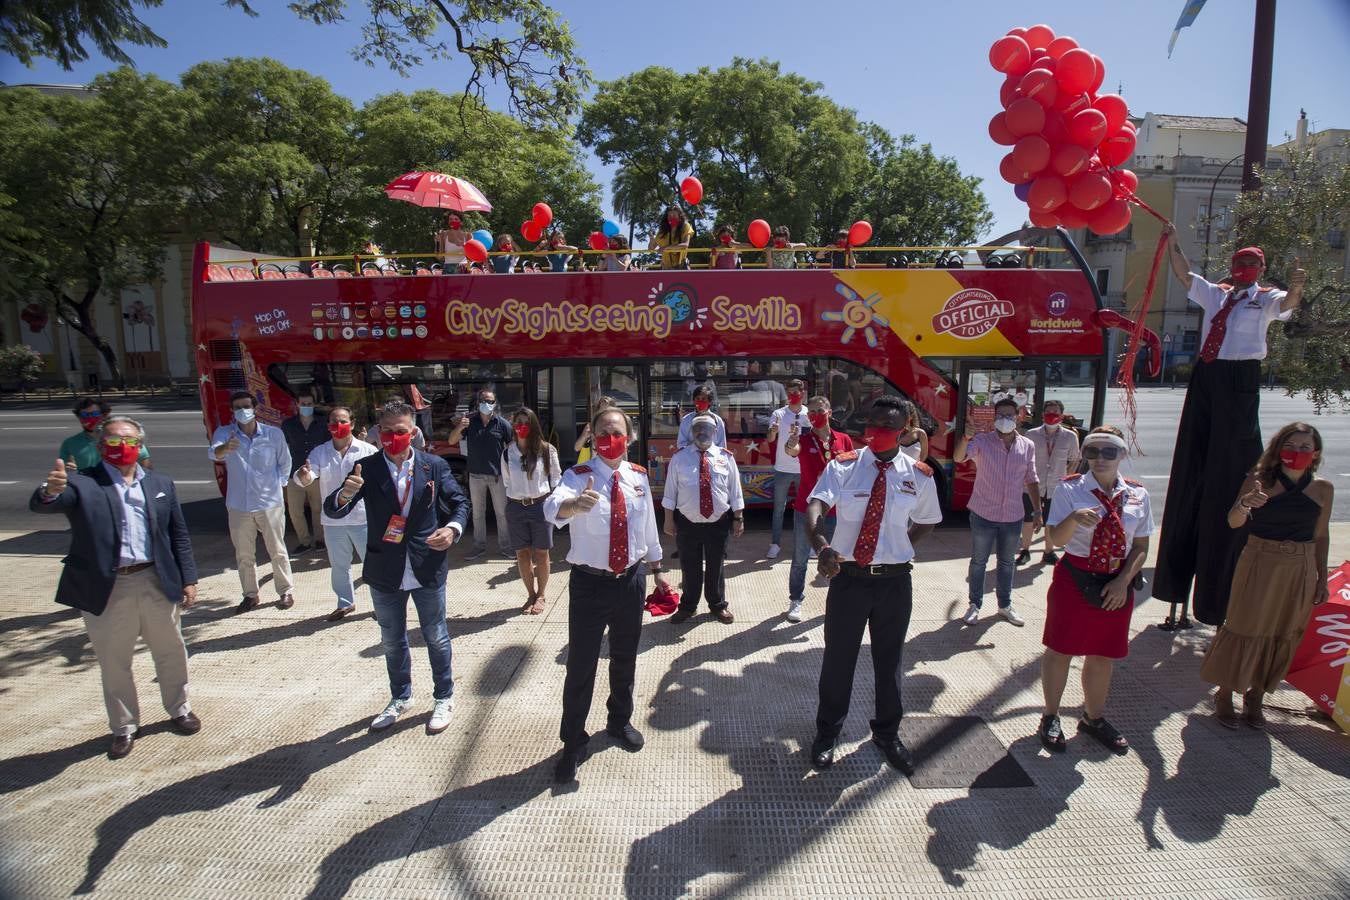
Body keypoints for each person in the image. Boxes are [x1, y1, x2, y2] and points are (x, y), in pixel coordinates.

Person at [1152, 231, 1305, 625]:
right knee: (1193, 460)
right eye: (1239, 265)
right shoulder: (1217, 294)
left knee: (1230, 465)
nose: (1243, 271)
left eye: (1251, 266)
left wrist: (1299, 286)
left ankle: (1213, 597)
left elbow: (1288, 305)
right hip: (1207, 375)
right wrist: (1172, 242)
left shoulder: (1264, 297)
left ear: (1260, 270)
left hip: (1240, 378)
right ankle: (1174, 588)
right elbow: (1185, 276)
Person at [31, 415, 199, 760]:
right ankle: (124, 726)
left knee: (171, 651)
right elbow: (47, 503)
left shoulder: (159, 482)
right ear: (100, 445)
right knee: (114, 661)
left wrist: (189, 578)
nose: (123, 447)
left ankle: (179, 708)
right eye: (114, 441)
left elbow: (178, 534)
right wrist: (50, 492)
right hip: (109, 587)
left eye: (131, 441)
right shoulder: (82, 484)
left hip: (155, 580)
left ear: (141, 446)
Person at [805, 396, 942, 772]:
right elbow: (815, 505)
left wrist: (903, 548)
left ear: (903, 431)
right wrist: (823, 546)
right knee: (838, 661)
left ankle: (887, 733)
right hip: (849, 581)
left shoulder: (918, 475)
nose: (873, 433)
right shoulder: (844, 467)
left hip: (894, 584)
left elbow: (928, 519)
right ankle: (827, 733)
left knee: (890, 661)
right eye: (871, 424)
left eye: (884, 427)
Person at [323, 400, 470, 734]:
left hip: (426, 565)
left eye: (400, 431)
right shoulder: (367, 468)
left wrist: (452, 529)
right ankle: (400, 697)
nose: (393, 437)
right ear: (378, 432)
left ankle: (443, 696)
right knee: (392, 639)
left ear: (413, 432)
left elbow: (460, 502)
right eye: (386, 431)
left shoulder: (434, 466)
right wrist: (344, 495)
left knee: (435, 635)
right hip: (384, 568)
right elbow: (334, 510)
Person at [544, 406, 670, 783]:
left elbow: (647, 526)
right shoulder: (578, 475)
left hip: (630, 582)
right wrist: (573, 505)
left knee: (624, 658)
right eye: (602, 431)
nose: (610, 438)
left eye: (617, 431)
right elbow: (552, 507)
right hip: (589, 584)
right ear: (593, 436)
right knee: (581, 665)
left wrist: (658, 570)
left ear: (629, 437)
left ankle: (619, 722)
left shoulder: (638, 477)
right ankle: (573, 742)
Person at [1200, 422, 1333, 729]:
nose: (1297, 453)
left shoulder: (1323, 488)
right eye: (1291, 446)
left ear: (1315, 453)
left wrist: (1321, 578)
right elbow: (1233, 521)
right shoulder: (1259, 481)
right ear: (1278, 448)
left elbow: (1321, 536)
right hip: (1261, 559)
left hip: (1300, 565)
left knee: (1283, 630)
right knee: (1244, 626)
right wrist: (1246, 504)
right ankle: (1225, 694)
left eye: (1304, 447)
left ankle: (1256, 696)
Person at [1036, 426, 1152, 756]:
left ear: (1122, 456)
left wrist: (1123, 581)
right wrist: (1073, 518)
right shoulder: (1070, 490)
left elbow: (1141, 544)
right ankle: (1051, 716)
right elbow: (1056, 539)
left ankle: (1093, 717)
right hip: (1076, 577)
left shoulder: (1137, 495)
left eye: (1108, 452)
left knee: (1103, 654)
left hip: (1118, 580)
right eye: (1092, 452)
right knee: (1061, 649)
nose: (1099, 459)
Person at [954, 396, 1039, 627]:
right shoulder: (982, 441)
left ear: (1018, 416)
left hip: (1012, 515)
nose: (1005, 419)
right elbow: (959, 457)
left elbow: (1031, 478)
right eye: (1000, 415)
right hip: (983, 513)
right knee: (979, 561)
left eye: (1009, 415)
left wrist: (1038, 511)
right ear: (994, 417)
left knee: (1006, 563)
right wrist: (966, 437)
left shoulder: (1027, 446)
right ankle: (975, 605)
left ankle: (1005, 605)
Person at [210, 391, 294, 613]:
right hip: (239, 505)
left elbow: (285, 462)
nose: (242, 411)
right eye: (237, 407)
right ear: (232, 410)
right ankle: (250, 595)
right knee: (244, 554)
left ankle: (285, 591)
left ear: (255, 408)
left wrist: (279, 486)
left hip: (269, 503)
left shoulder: (273, 434)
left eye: (246, 406)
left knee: (277, 549)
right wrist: (225, 448)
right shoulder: (225, 433)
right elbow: (214, 453)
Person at [294, 405, 379, 621]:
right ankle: (345, 602)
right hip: (333, 521)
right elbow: (307, 474)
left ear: (351, 423)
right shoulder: (320, 451)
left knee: (373, 564)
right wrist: (303, 476)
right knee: (339, 566)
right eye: (334, 422)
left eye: (343, 421)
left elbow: (380, 483)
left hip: (363, 518)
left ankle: (381, 605)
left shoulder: (368, 451)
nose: (338, 426)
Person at [662, 414, 745, 624]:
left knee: (716, 566)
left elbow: (735, 490)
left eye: (707, 428)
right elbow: (670, 492)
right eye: (697, 428)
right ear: (691, 431)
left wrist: (738, 517)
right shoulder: (679, 458)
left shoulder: (725, 457)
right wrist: (668, 519)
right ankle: (688, 606)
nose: (702, 432)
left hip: (718, 522)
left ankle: (717, 605)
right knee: (690, 567)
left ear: (715, 432)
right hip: (687, 522)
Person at [784, 395, 855, 623]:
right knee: (800, 559)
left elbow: (852, 472)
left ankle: (837, 601)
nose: (815, 415)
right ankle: (796, 599)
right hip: (806, 511)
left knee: (836, 557)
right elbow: (791, 450)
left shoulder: (844, 440)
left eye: (819, 410)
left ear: (830, 412)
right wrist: (791, 441)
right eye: (811, 412)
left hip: (836, 512)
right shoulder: (803, 440)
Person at [503, 407, 562, 615]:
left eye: (526, 422)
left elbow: (556, 479)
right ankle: (530, 594)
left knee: (542, 553)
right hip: (516, 507)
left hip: (540, 506)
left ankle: (542, 594)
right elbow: (507, 481)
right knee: (522, 554)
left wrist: (552, 503)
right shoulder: (507, 452)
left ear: (534, 425)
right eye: (517, 422)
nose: (521, 427)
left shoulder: (546, 450)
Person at [448, 387, 514, 559]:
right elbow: (452, 440)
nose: (487, 404)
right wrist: (460, 427)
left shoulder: (502, 424)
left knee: (502, 514)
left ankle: (507, 548)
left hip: (497, 476)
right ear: (478, 403)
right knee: (477, 514)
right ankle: (479, 548)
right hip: (475, 476)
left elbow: (513, 447)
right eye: (484, 401)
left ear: (495, 403)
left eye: (490, 401)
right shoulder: (469, 421)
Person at [1019, 400, 1081, 565]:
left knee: (1051, 521)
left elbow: (1075, 459)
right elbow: (1023, 459)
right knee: (1028, 520)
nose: (1052, 415)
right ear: (1042, 415)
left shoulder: (1070, 436)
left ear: (1061, 415)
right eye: (1049, 412)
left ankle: (1048, 551)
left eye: (1056, 412)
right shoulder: (1031, 434)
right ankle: (1025, 550)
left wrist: (1067, 478)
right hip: (1032, 486)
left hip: (1056, 487)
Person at [765, 379, 811, 559]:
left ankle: (807, 544)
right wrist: (773, 431)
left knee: (804, 509)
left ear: (803, 394)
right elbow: (770, 439)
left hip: (803, 469)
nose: (793, 397)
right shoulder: (778, 414)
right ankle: (775, 544)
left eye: (796, 393)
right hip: (782, 468)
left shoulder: (809, 414)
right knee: (779, 509)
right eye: (790, 393)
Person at [280, 387, 329, 553]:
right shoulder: (288, 425)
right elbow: (283, 449)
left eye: (309, 403)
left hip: (317, 473)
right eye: (303, 403)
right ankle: (304, 542)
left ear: (314, 404)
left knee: (318, 510)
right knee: (295, 511)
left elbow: (328, 447)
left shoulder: (323, 423)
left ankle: (320, 540)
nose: (306, 406)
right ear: (297, 404)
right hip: (294, 474)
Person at [59, 397, 151, 470]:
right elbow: (62, 470)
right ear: (79, 417)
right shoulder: (70, 443)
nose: (89, 418)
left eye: (94, 414)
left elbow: (145, 466)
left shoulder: (126, 439)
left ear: (104, 415)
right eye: (84, 415)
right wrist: (68, 471)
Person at [675, 384, 727, 450]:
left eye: (703, 399)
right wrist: (696, 447)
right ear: (694, 401)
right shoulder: (686, 420)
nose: (700, 401)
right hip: (691, 457)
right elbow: (681, 444)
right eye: (698, 399)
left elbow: (722, 446)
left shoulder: (718, 421)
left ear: (710, 402)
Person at [649, 205, 694, 270]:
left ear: (680, 216)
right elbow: (651, 249)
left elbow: (685, 245)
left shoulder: (685, 226)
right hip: (666, 268)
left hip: (682, 266)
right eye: (669, 215)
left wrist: (666, 248)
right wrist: (651, 239)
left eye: (674, 215)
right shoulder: (663, 230)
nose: (672, 218)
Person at [897, 399, 928, 464]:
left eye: (904, 414)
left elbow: (923, 457)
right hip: (896, 471)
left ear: (911, 416)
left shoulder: (920, 433)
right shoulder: (894, 432)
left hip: (914, 471)